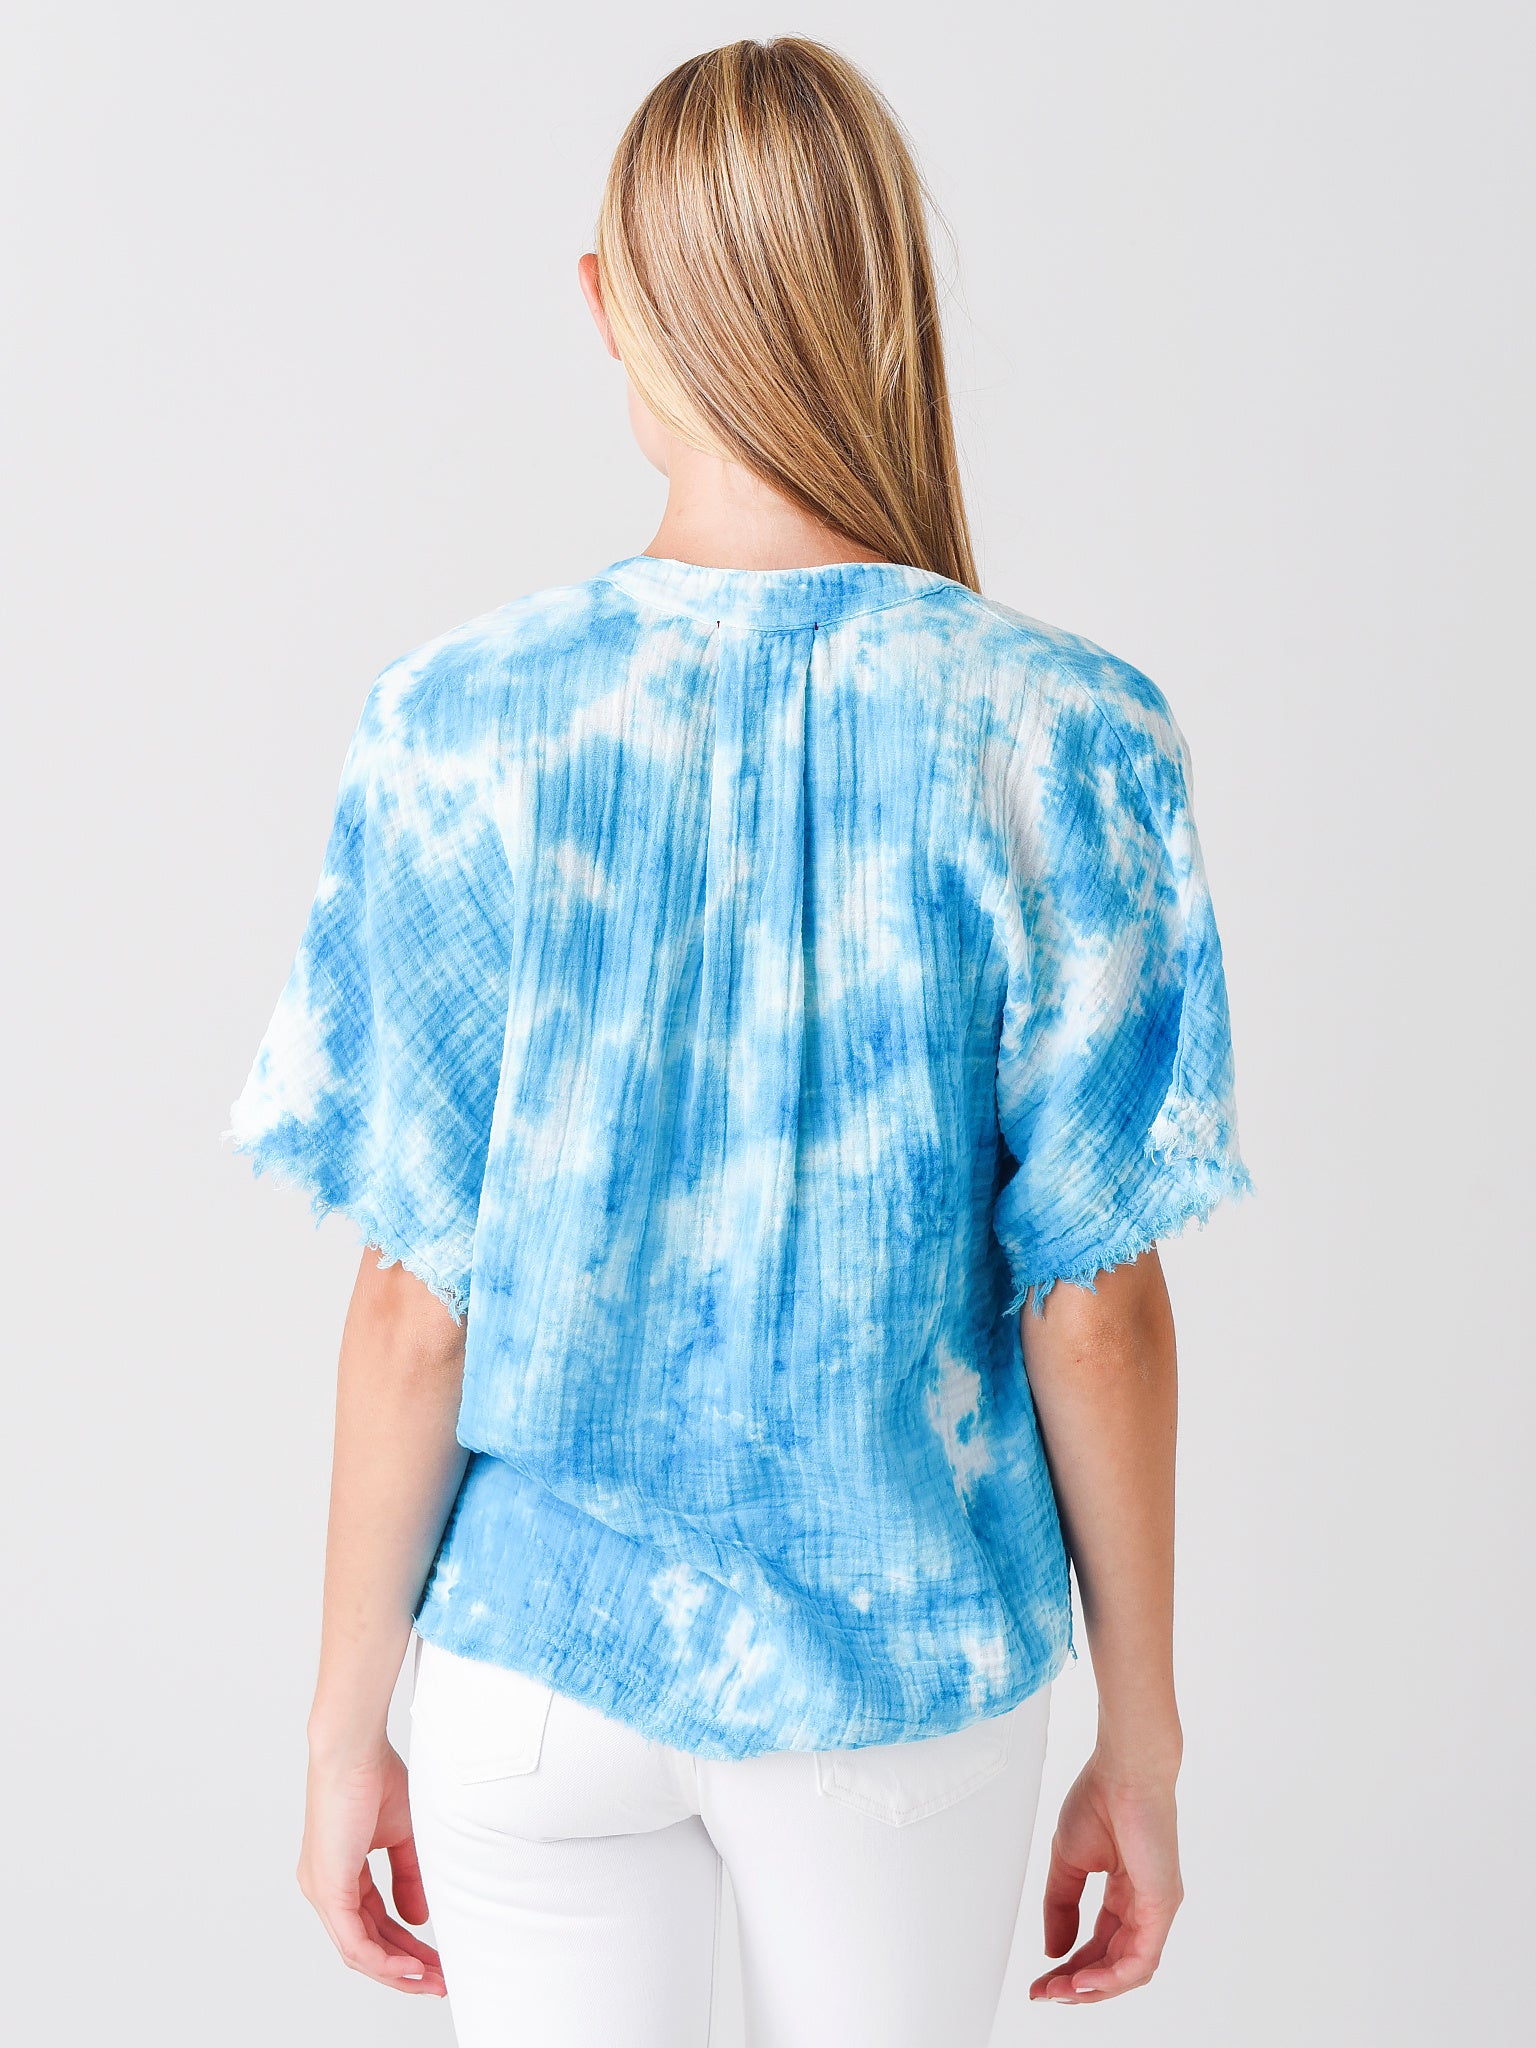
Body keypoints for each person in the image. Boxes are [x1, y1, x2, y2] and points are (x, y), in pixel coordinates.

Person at [228, 35, 1250, 2048]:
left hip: (535, 1667)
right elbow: (1100, 1308)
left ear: (609, 301)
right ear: (887, 300)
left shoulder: (458, 724)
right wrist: (1141, 1737)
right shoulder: (1068, 731)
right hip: (898, 1678)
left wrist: (347, 1731)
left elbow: (414, 1308)